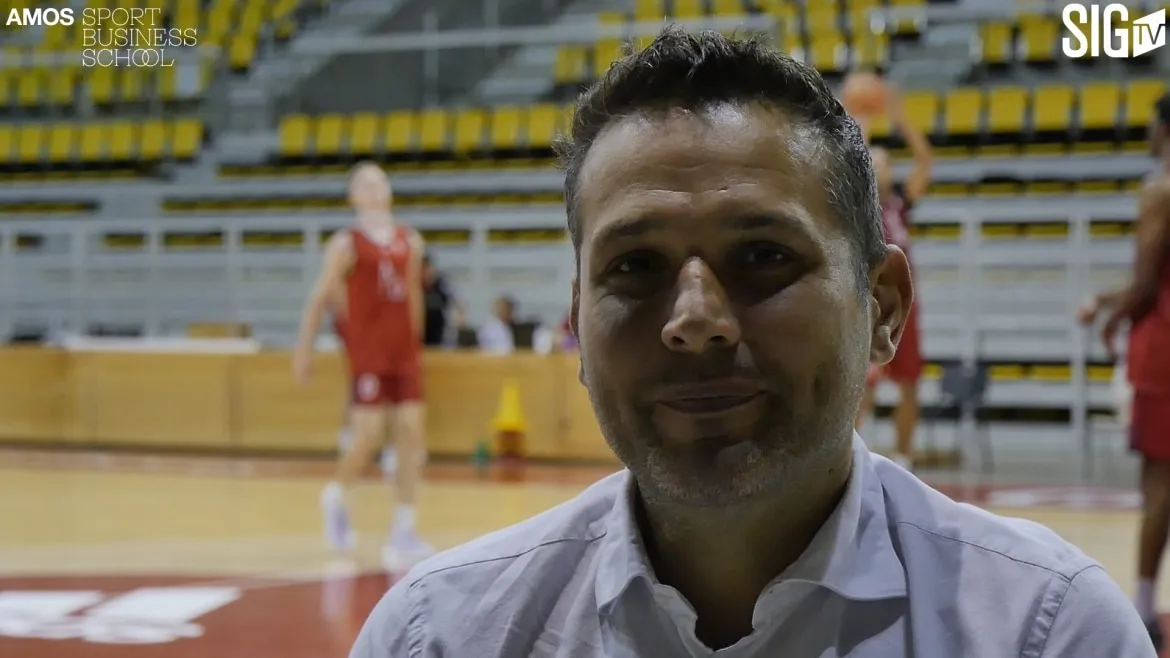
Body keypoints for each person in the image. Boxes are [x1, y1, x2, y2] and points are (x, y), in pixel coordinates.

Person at [350, 29, 1152, 657]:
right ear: (577, 326)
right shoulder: (434, 637)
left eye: (763, 256)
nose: (695, 317)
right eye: (635, 266)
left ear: (882, 307)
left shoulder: (1051, 633)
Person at [293, 161, 432, 569]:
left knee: (411, 435)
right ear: (353, 196)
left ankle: (404, 527)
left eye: (379, 181)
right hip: (368, 353)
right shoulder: (346, 243)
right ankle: (335, 494)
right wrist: (304, 349)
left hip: (403, 352)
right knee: (368, 437)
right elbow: (320, 298)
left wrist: (417, 344)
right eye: (364, 183)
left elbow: (412, 295)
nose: (373, 188)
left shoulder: (410, 240)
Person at [1077, 92, 1170, 652]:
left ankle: (1143, 603)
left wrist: (1106, 312)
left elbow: (1146, 283)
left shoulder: (1160, 189)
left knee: (1159, 481)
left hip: (1164, 351)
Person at [850, 79, 934, 471]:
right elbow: (849, 163)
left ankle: (903, 458)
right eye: (877, 161)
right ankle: (846, 456)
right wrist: (863, 125)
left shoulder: (901, 204)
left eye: (887, 162)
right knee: (864, 386)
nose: (884, 166)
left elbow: (925, 162)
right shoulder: (860, 206)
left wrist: (900, 119)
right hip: (869, 305)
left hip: (905, 306)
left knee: (910, 383)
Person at [421, 254, 461, 347]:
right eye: (423, 269)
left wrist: (458, 320)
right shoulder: (413, 287)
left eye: (428, 268)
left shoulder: (442, 285)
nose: (427, 273)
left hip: (441, 336)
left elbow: (458, 304)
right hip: (421, 335)